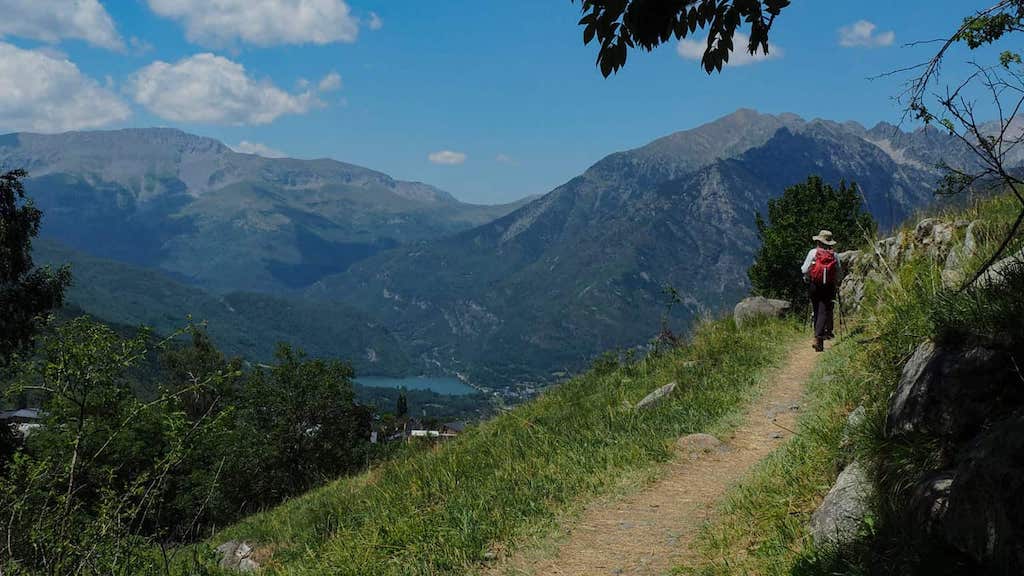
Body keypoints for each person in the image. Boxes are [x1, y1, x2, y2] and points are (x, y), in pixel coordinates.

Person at [800, 230, 841, 352]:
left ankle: (818, 339)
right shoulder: (834, 255)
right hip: (829, 287)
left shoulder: (813, 252)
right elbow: (839, 273)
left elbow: (804, 269)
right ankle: (819, 338)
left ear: (819, 241)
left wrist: (809, 275)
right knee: (823, 311)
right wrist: (836, 281)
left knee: (817, 310)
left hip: (814, 285)